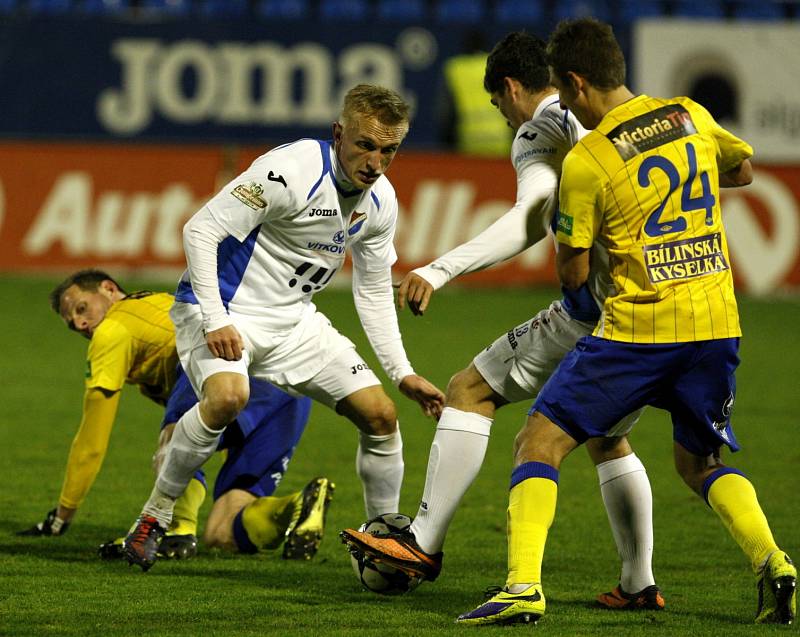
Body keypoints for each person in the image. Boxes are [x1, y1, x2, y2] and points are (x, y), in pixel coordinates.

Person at [456, 18, 796, 625]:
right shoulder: (688, 113)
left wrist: (579, 215)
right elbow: (741, 170)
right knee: (701, 464)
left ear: (579, 84)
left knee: (540, 440)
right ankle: (774, 562)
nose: (563, 104)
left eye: (563, 92)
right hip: (716, 322)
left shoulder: (589, 160)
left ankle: (522, 587)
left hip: (640, 330)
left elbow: (570, 276)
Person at [340, 31, 662, 611]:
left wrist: (438, 269)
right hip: (661, 307)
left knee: (469, 388)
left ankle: (423, 542)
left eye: (497, 105)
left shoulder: (545, 124)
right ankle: (642, 581)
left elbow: (527, 221)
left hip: (595, 305)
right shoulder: (641, 118)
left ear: (511, 88)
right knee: (612, 438)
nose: (505, 121)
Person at [122, 84, 446, 572]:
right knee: (227, 397)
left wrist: (402, 372)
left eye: (389, 150)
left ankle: (385, 542)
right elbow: (200, 229)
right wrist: (216, 319)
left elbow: (374, 290)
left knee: (381, 416)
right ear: (339, 134)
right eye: (365, 144)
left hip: (294, 322)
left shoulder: (380, 202)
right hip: (224, 310)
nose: (375, 161)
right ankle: (155, 515)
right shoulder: (291, 171)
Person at [20, 269, 334, 562]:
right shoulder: (159, 302)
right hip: (288, 387)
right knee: (223, 531)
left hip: (225, 365)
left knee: (173, 441)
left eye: (81, 308)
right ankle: (296, 507)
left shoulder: (112, 328)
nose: (79, 324)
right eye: (71, 322)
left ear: (109, 289)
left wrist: (62, 515)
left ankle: (177, 530)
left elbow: (92, 439)